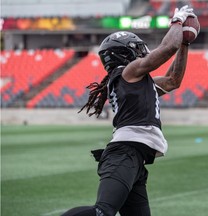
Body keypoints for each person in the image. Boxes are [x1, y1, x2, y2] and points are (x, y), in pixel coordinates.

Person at [62, 5, 196, 216]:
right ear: (125, 52)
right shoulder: (128, 71)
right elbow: (167, 48)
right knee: (102, 212)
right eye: (137, 47)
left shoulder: (132, 79)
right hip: (124, 154)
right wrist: (178, 21)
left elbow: (173, 81)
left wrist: (185, 44)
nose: (142, 51)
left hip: (134, 158)